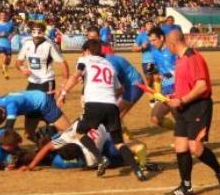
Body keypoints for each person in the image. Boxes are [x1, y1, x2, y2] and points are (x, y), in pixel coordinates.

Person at [57, 39, 146, 181]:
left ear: (86, 51)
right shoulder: (109, 65)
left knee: (79, 132)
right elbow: (120, 89)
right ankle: (138, 171)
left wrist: (63, 94)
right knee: (119, 142)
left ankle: (101, 159)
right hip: (111, 105)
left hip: (94, 104)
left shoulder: (85, 59)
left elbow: (76, 76)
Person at [164, 30, 220, 195]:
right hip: (184, 108)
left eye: (167, 45)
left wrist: (182, 100)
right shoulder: (180, 60)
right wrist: (173, 98)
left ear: (172, 43)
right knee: (180, 147)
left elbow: (202, 87)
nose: (167, 49)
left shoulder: (192, 58)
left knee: (195, 147)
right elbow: (185, 86)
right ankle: (186, 186)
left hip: (198, 106)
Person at [23, 119, 153, 172]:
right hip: (104, 123)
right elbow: (48, 147)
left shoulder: (90, 158)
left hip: (108, 136)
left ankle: (135, 153)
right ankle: (133, 146)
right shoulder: (69, 136)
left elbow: (47, 148)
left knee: (113, 156)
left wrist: (31, 165)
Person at [0, 90, 71, 142]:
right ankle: (46, 146)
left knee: (69, 130)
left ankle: (79, 145)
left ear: (4, 115)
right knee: (29, 135)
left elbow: (8, 127)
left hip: (43, 102)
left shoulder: (12, 106)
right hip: (30, 108)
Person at [16, 22, 69, 96]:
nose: (37, 36)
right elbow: (18, 62)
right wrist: (22, 68)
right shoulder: (27, 44)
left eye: (39, 32)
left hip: (46, 81)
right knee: (29, 105)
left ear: (44, 33)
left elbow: (63, 63)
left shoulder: (49, 45)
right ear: (31, 32)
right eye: (34, 32)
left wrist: (64, 83)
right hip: (32, 81)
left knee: (45, 105)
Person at [148, 27, 176, 130]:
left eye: (154, 40)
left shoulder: (173, 49)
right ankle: (180, 131)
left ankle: (185, 137)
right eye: (150, 41)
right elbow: (156, 75)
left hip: (177, 88)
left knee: (179, 117)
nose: (152, 43)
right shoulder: (154, 52)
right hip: (165, 89)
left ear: (161, 37)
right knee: (155, 118)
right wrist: (153, 70)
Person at [0, 12, 16, 80]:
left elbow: (15, 31)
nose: (3, 16)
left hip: (8, 45)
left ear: (6, 16)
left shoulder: (10, 24)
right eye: (2, 15)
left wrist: (11, 35)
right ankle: (6, 74)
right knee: (4, 58)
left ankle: (4, 68)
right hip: (1, 45)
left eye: (4, 15)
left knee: (8, 61)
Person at [133, 21, 156, 89]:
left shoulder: (157, 34)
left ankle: (158, 97)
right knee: (149, 80)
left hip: (158, 60)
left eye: (151, 24)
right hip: (147, 61)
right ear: (145, 27)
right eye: (148, 24)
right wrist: (142, 47)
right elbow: (134, 48)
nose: (150, 25)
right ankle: (152, 96)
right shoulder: (141, 35)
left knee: (158, 79)